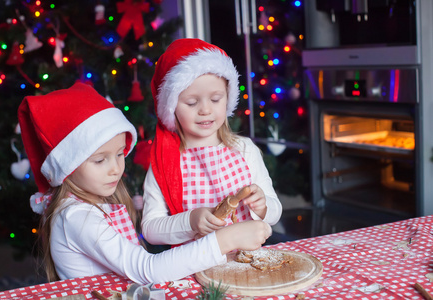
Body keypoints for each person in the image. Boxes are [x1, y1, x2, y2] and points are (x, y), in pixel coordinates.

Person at [18, 82, 272, 284]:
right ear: (67, 167)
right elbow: (147, 269)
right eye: (99, 160)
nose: (116, 168)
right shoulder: (76, 216)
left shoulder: (89, 204)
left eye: (120, 154)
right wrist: (225, 239)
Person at [141, 38, 282, 246]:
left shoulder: (245, 151)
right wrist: (190, 221)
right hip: (193, 268)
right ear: (171, 107)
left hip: (246, 265)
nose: (205, 110)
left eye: (215, 99)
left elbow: (275, 212)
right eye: (191, 102)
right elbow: (150, 229)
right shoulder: (165, 163)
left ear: (227, 99)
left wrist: (263, 207)